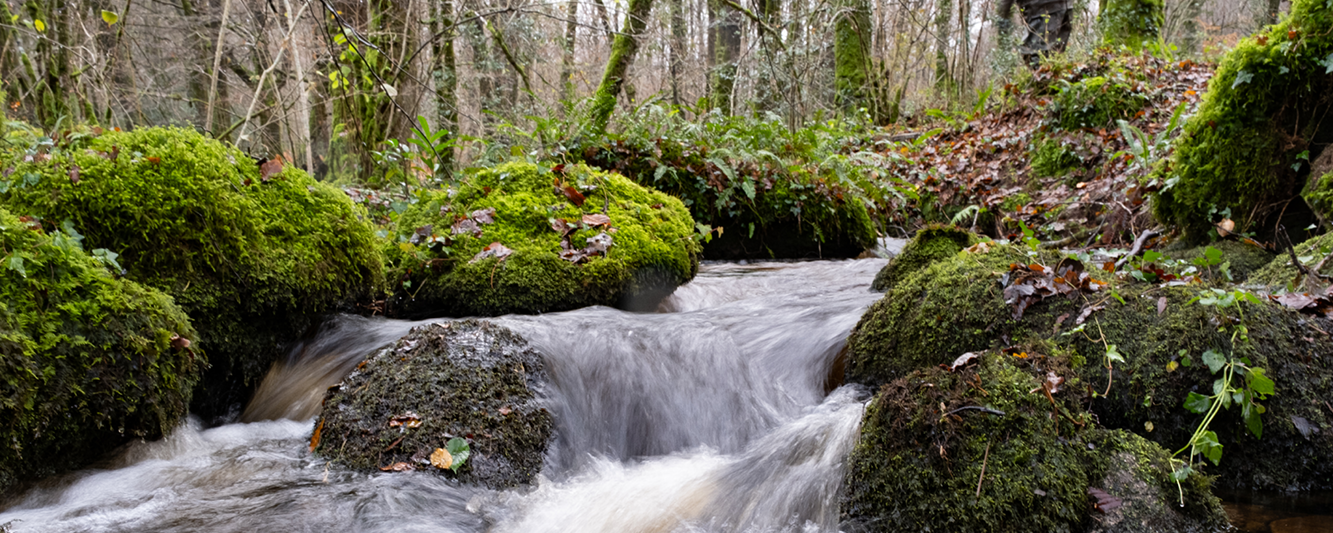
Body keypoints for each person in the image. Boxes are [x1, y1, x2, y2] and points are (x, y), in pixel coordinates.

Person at [998, 0, 1074, 67]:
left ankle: (1044, 80)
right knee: (1054, 54)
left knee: (1034, 55)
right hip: (1065, 7)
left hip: (1040, 9)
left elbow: (1004, 6)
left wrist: (1002, 18)